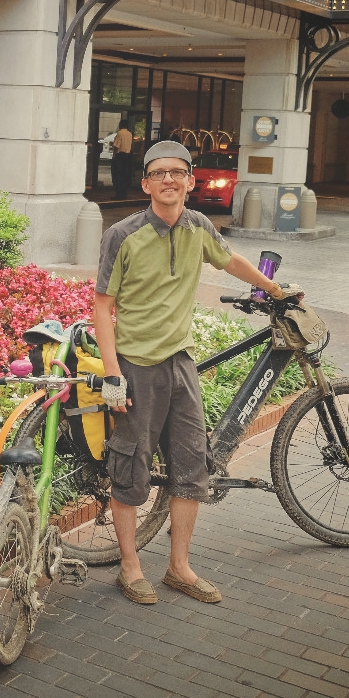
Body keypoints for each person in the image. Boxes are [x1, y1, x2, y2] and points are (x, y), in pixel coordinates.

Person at [92, 140, 296, 607]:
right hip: (135, 366)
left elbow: (230, 259)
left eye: (177, 172)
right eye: (159, 173)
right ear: (146, 184)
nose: (169, 179)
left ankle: (179, 568)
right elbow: (103, 306)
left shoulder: (199, 227)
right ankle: (130, 567)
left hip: (180, 363)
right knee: (130, 466)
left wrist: (272, 288)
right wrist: (112, 374)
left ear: (189, 181)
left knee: (191, 466)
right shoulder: (122, 235)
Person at [112, 122, 135, 200]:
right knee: (125, 175)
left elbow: (116, 146)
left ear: (120, 125)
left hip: (120, 156)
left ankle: (118, 194)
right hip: (128, 156)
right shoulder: (130, 134)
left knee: (118, 175)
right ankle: (124, 193)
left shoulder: (120, 133)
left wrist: (114, 156)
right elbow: (131, 146)